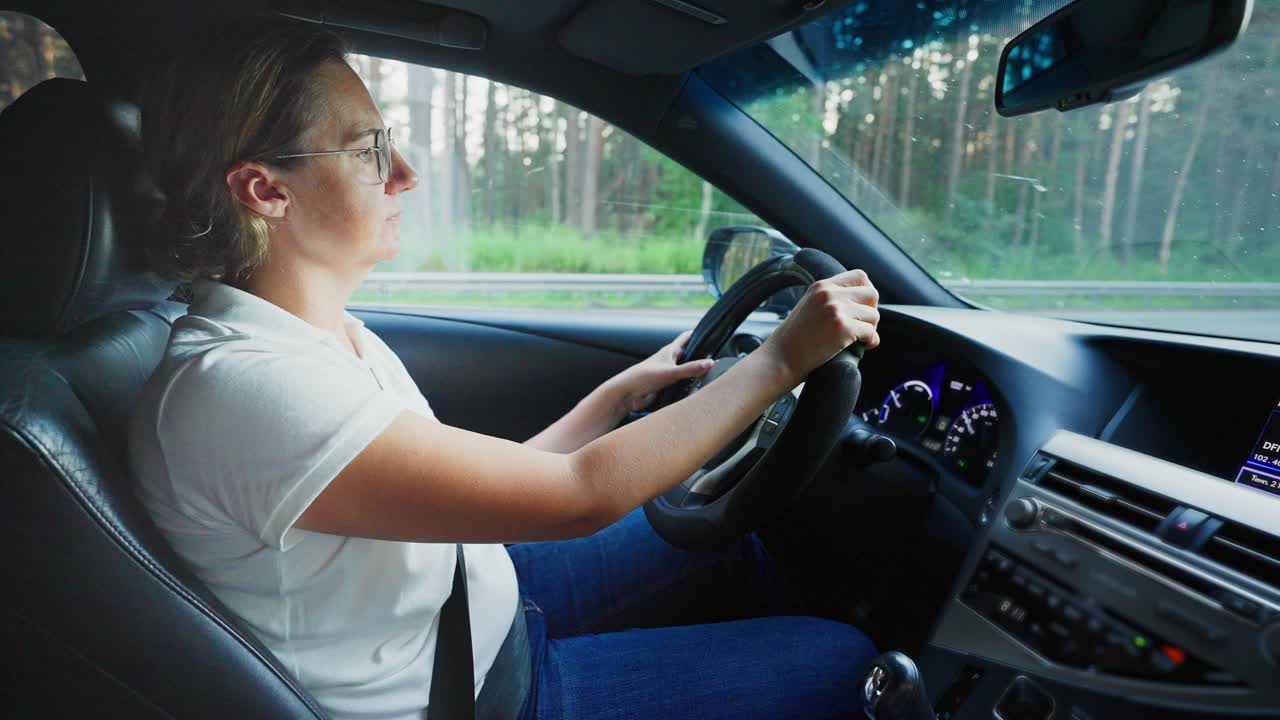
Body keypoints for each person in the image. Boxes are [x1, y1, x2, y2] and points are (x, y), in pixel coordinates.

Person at [127, 18, 884, 720]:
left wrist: (611, 401)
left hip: (469, 604)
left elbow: (487, 488)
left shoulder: (316, 337)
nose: (405, 174)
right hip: (478, 693)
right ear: (266, 190)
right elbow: (577, 498)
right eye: (368, 151)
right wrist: (782, 359)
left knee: (722, 545)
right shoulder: (246, 389)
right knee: (843, 665)